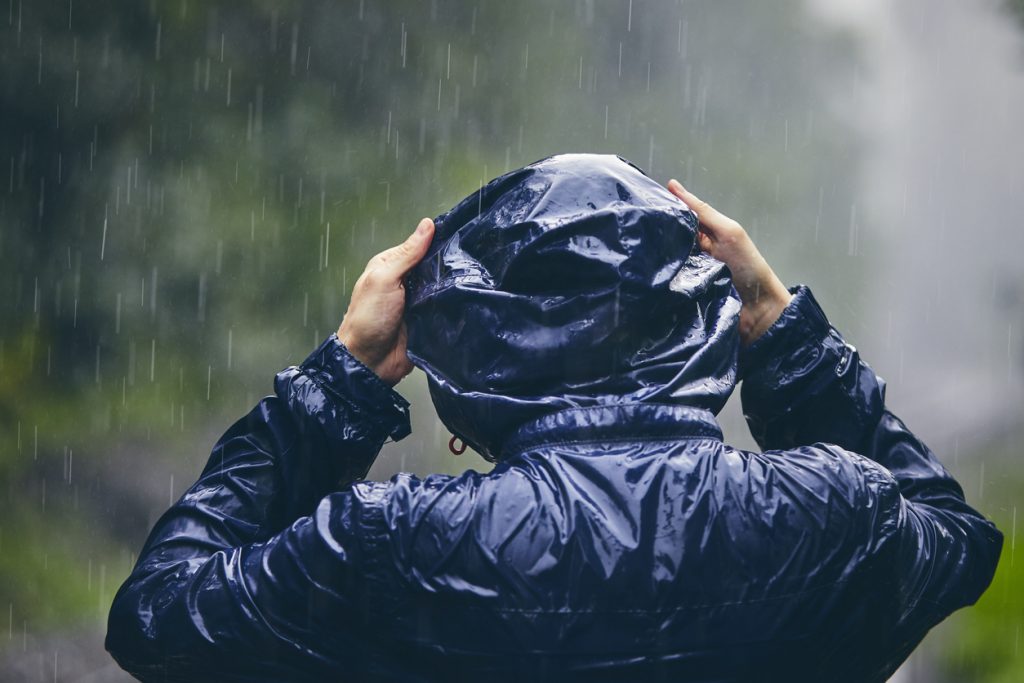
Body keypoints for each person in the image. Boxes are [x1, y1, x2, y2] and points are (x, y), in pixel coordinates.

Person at [106, 154, 1002, 682]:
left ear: (471, 351)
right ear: (703, 318)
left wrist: (341, 378)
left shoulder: (396, 543)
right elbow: (961, 539)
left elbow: (157, 620)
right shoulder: (838, 516)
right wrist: (780, 329)